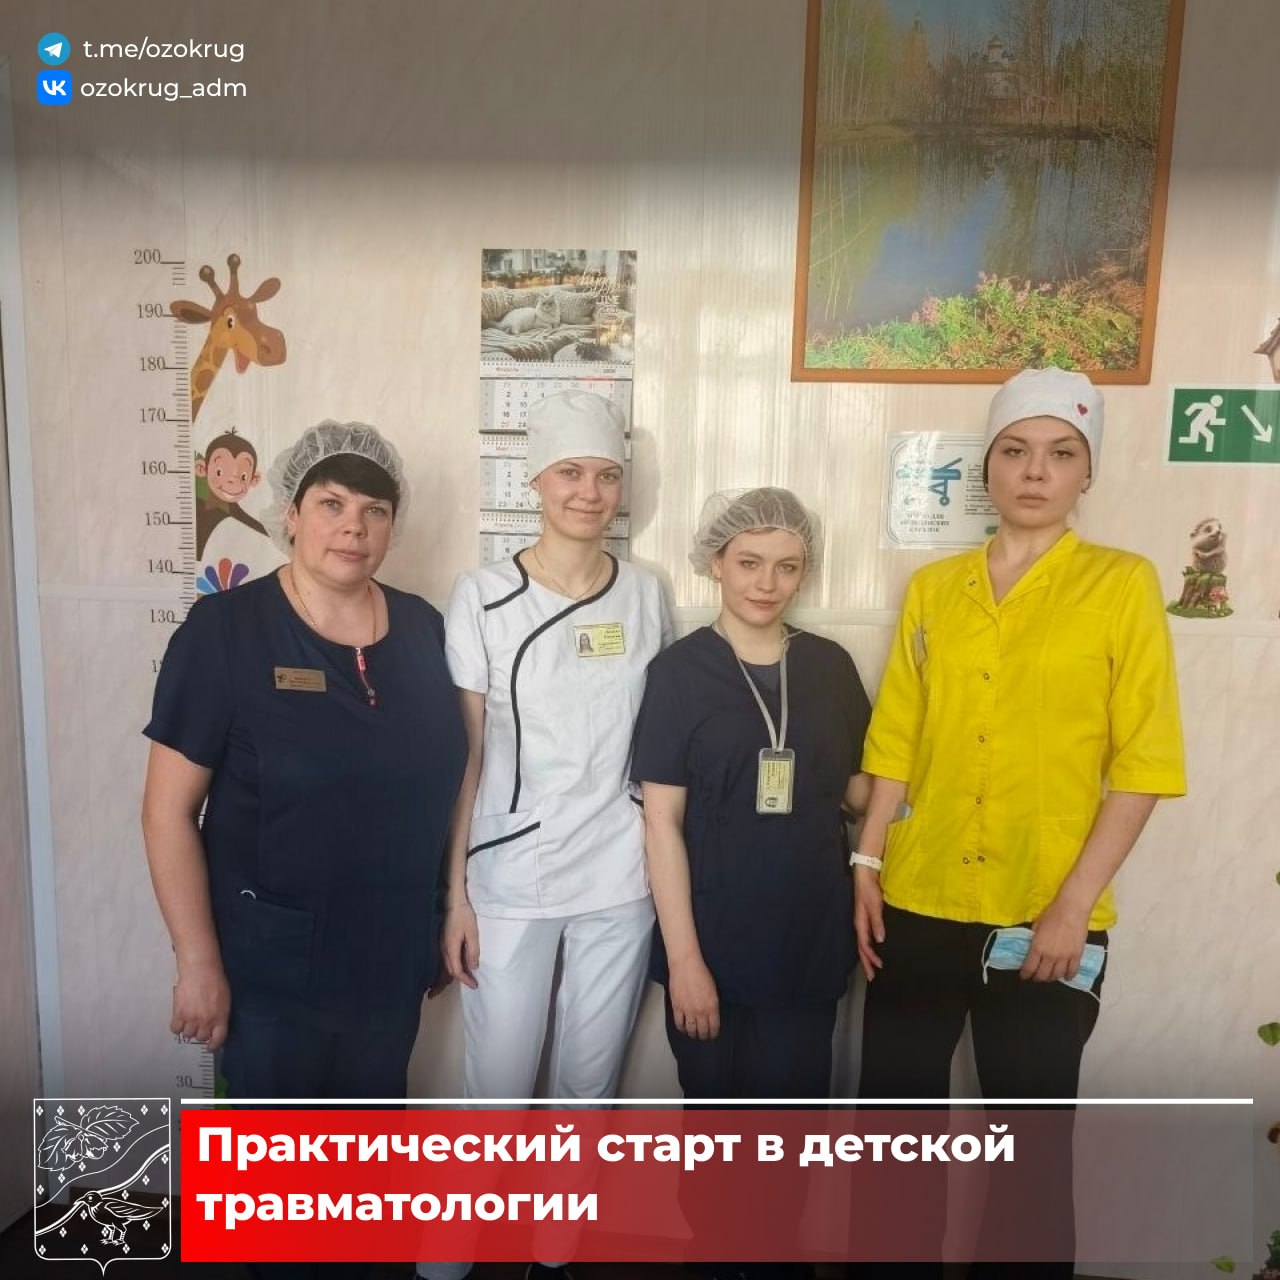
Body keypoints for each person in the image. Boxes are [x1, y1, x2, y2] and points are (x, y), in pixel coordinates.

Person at [854, 368, 1187, 1277]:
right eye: (1015, 451)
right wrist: (867, 865)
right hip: (918, 899)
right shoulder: (935, 588)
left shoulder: (1122, 584)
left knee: (1029, 1152)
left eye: (1060, 454)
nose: (1035, 472)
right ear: (988, 467)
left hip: (1046, 916)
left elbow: (1145, 763)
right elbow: (897, 738)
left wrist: (1073, 906)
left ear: (1087, 472)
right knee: (894, 1137)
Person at [142, 422, 467, 1275]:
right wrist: (197, 963)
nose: (352, 527)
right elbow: (167, 814)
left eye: (373, 510)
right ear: (290, 514)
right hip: (270, 971)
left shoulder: (426, 632)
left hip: (389, 965)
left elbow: (447, 788)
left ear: (393, 525)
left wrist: (443, 910)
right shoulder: (226, 632)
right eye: (331, 505)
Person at [438, 388, 671, 1103]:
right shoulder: (482, 596)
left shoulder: (645, 594)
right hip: (513, 870)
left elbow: (660, 747)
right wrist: (455, 896)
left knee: (589, 1091)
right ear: (535, 479)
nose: (589, 492)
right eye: (570, 472)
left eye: (606, 475)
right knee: (498, 1092)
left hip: (620, 872)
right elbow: (466, 759)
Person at [632, 486, 872, 1099]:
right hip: (713, 941)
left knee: (789, 1133)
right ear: (716, 563)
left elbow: (859, 795)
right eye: (748, 562)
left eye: (786, 566)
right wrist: (685, 963)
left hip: (809, 939)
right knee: (715, 1134)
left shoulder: (831, 667)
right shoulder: (677, 674)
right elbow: (661, 823)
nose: (767, 583)